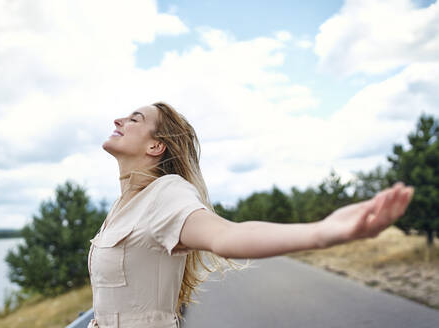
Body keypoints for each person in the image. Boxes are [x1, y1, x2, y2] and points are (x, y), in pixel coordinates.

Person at [87, 102, 414, 328]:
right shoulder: (120, 208)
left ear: (156, 146)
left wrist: (323, 232)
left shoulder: (166, 193)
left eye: (135, 119)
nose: (119, 120)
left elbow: (226, 235)